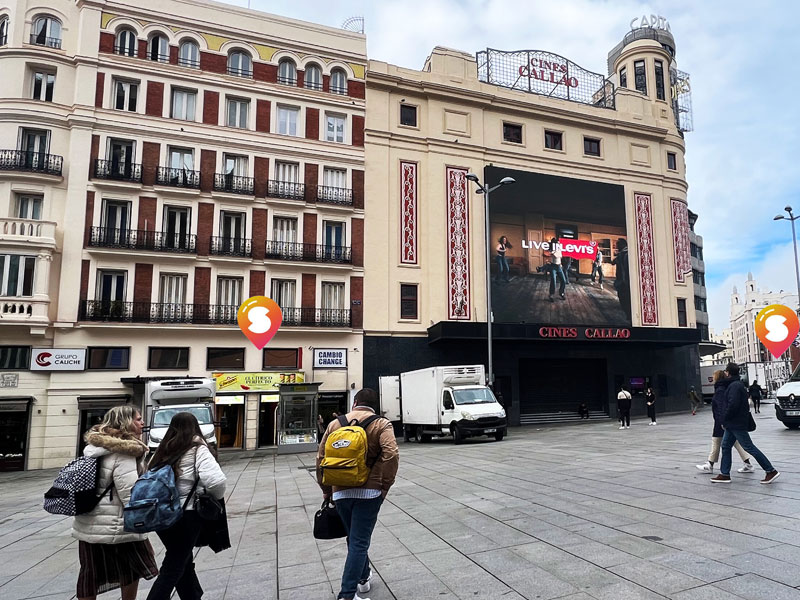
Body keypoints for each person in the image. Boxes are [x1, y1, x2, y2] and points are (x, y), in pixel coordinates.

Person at [317, 388, 399, 600]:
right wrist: (385, 486)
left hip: (340, 492)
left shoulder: (335, 424)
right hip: (369, 492)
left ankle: (363, 578)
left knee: (354, 538)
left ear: (354, 403)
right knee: (360, 542)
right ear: (375, 406)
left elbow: (320, 457)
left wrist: (326, 490)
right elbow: (391, 454)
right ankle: (347, 595)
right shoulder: (381, 424)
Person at [72, 405, 158, 600]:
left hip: (90, 521)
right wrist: (149, 517)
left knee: (90, 574)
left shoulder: (94, 448)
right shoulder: (124, 452)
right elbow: (130, 494)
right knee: (131, 570)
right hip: (117, 525)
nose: (142, 422)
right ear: (126, 422)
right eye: (138, 419)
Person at [146, 412, 227, 600]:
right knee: (174, 565)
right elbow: (216, 481)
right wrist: (211, 498)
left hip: (162, 515)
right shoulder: (198, 448)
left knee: (183, 560)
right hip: (186, 515)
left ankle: (192, 596)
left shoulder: (161, 451)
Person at [711, 363, 780, 484]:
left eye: (726, 372)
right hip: (734, 423)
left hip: (736, 423)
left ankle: (770, 470)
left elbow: (733, 405)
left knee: (749, 447)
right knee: (726, 446)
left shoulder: (734, 386)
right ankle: (724, 474)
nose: (725, 374)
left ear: (728, 373)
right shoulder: (737, 385)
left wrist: (725, 419)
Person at [696, 369, 754, 474]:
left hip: (722, 422)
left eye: (713, 377)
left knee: (718, 442)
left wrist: (722, 421)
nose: (712, 379)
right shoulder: (725, 387)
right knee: (735, 443)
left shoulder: (720, 389)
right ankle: (747, 463)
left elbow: (721, 407)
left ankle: (714, 467)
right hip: (726, 421)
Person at [611, 238, 631, 319]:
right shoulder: (623, 254)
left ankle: (629, 317)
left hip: (624, 283)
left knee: (625, 301)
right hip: (624, 282)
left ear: (622, 245)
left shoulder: (624, 254)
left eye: (618, 245)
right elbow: (613, 262)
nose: (616, 246)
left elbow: (613, 262)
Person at [547, 237, 567, 302]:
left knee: (563, 281)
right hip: (553, 267)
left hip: (559, 267)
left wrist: (560, 263)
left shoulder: (559, 249)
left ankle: (561, 293)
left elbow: (560, 256)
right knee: (553, 281)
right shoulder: (551, 250)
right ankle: (551, 295)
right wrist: (554, 252)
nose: (559, 244)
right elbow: (555, 255)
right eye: (557, 243)